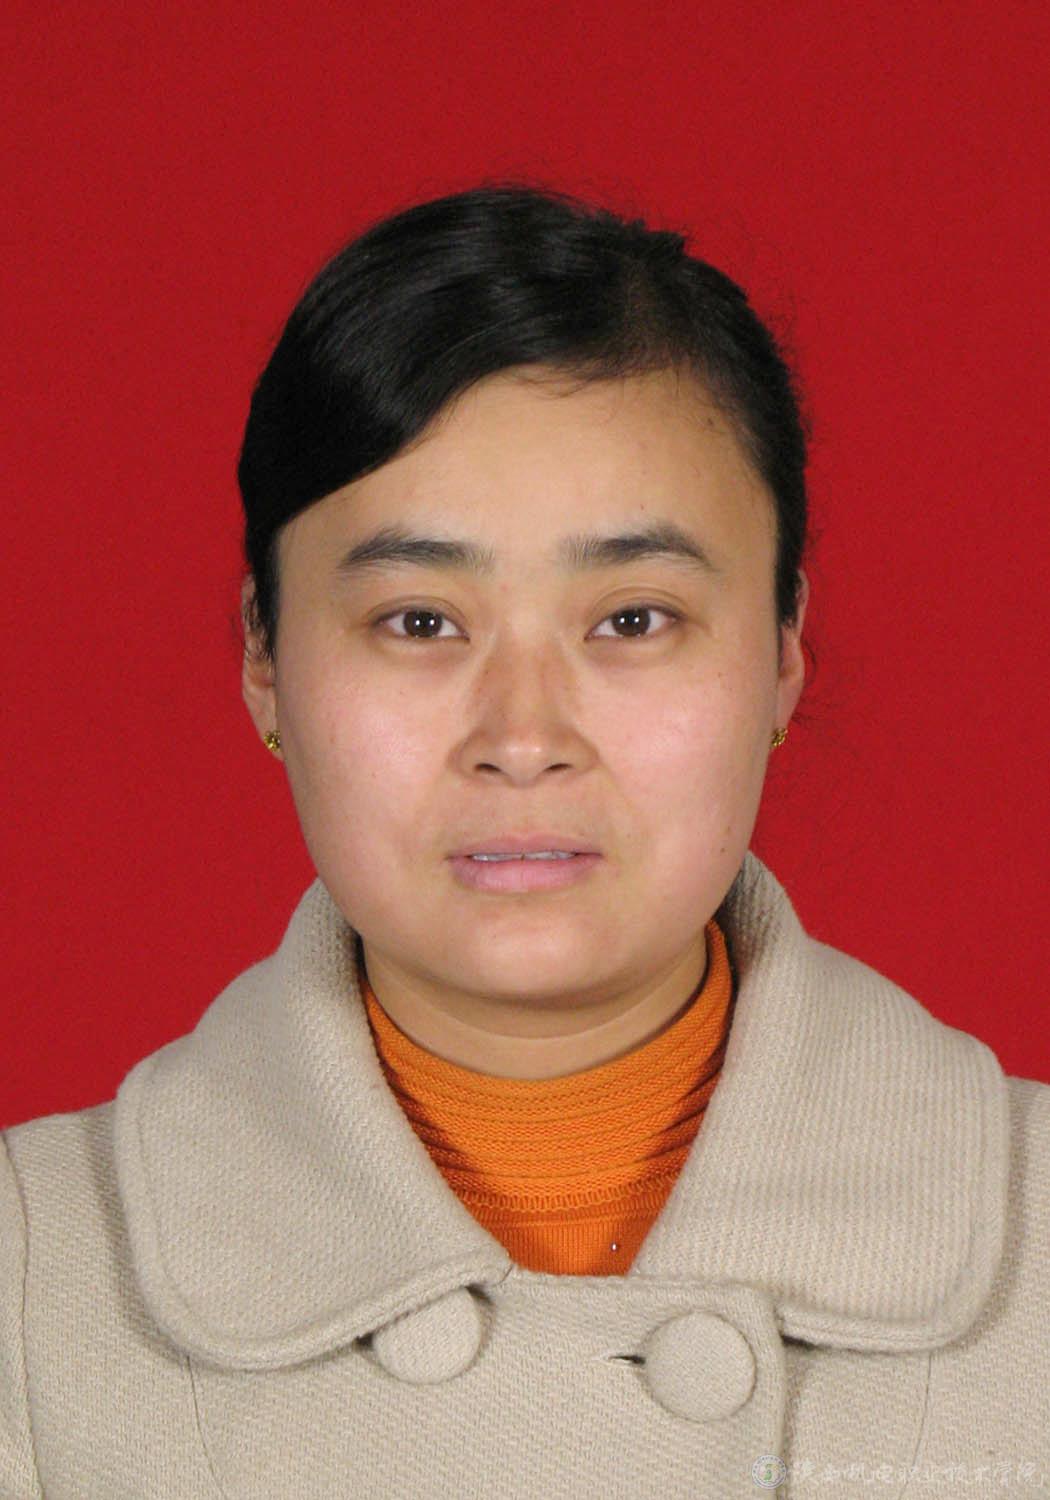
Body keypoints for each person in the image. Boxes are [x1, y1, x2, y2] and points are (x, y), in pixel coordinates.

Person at [2, 185, 1047, 1500]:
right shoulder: (31, 1286)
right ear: (265, 659)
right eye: (419, 623)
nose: (523, 736)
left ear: (783, 651)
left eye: (633, 621)